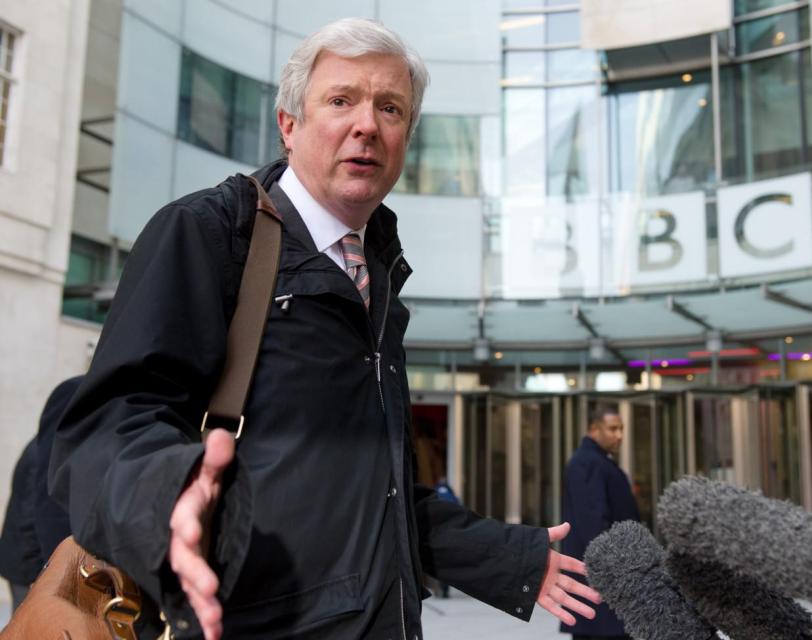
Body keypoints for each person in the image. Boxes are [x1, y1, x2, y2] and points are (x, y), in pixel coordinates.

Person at [49, 18, 600, 640]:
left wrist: (508, 559)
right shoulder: (208, 234)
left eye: (390, 108)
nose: (367, 124)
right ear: (290, 125)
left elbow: (368, 493)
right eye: (341, 100)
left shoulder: (380, 273)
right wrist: (165, 498)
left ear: (405, 137)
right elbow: (104, 429)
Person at [560, 406, 642, 640]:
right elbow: (593, 524)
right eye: (612, 428)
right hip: (602, 587)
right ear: (594, 429)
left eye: (621, 429)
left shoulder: (597, 461)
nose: (619, 435)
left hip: (606, 587)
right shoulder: (587, 462)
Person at [0, 377, 77, 609]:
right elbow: (35, 512)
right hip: (28, 565)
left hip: (25, 560)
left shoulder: (44, 447)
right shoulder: (46, 455)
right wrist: (44, 571)